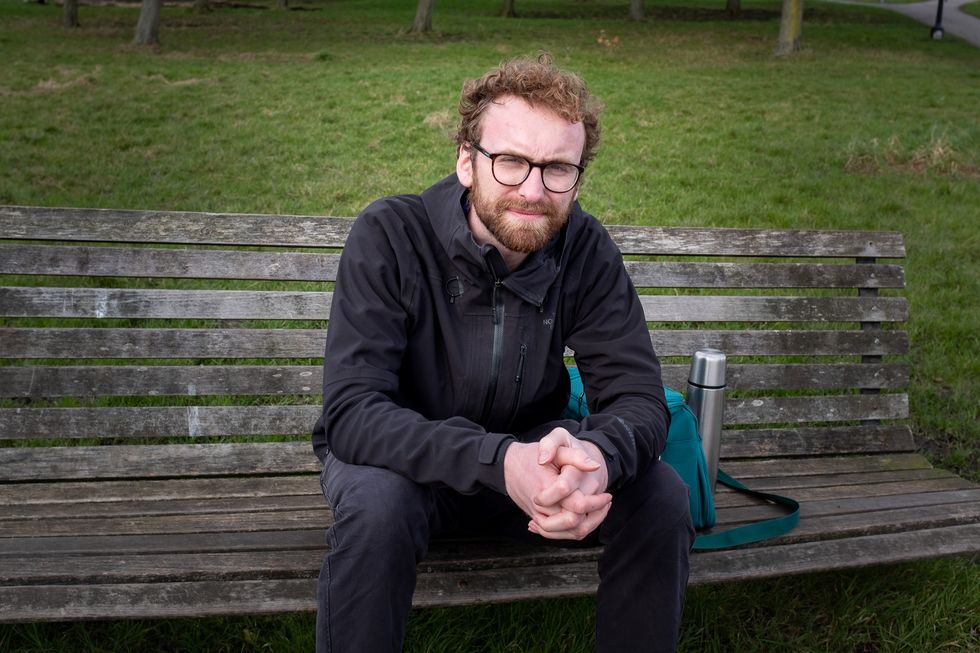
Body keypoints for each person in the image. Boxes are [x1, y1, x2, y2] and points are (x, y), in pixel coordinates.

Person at [311, 54, 694, 653]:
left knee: (661, 496)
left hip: (532, 471)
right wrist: (497, 461)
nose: (533, 191)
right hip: (409, 467)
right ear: (467, 159)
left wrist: (596, 456)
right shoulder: (391, 234)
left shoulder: (585, 250)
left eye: (558, 169)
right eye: (511, 161)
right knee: (379, 506)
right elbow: (354, 414)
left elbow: (639, 398)